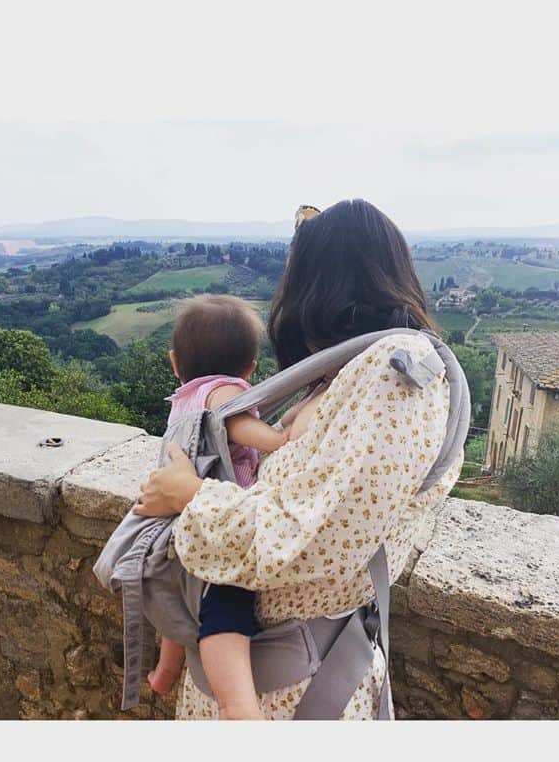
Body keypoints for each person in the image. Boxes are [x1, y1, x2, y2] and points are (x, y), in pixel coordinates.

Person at [133, 199, 463, 720]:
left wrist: (189, 495)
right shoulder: (343, 376)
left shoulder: (395, 376)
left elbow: (313, 542)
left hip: (295, 692)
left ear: (318, 282)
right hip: (267, 675)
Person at [144, 294, 291, 720]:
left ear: (175, 363)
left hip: (178, 522)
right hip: (215, 521)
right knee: (226, 608)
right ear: (250, 368)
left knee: (181, 609)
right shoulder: (223, 391)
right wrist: (279, 440)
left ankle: (165, 672)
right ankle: (238, 704)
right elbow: (237, 422)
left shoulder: (183, 398)